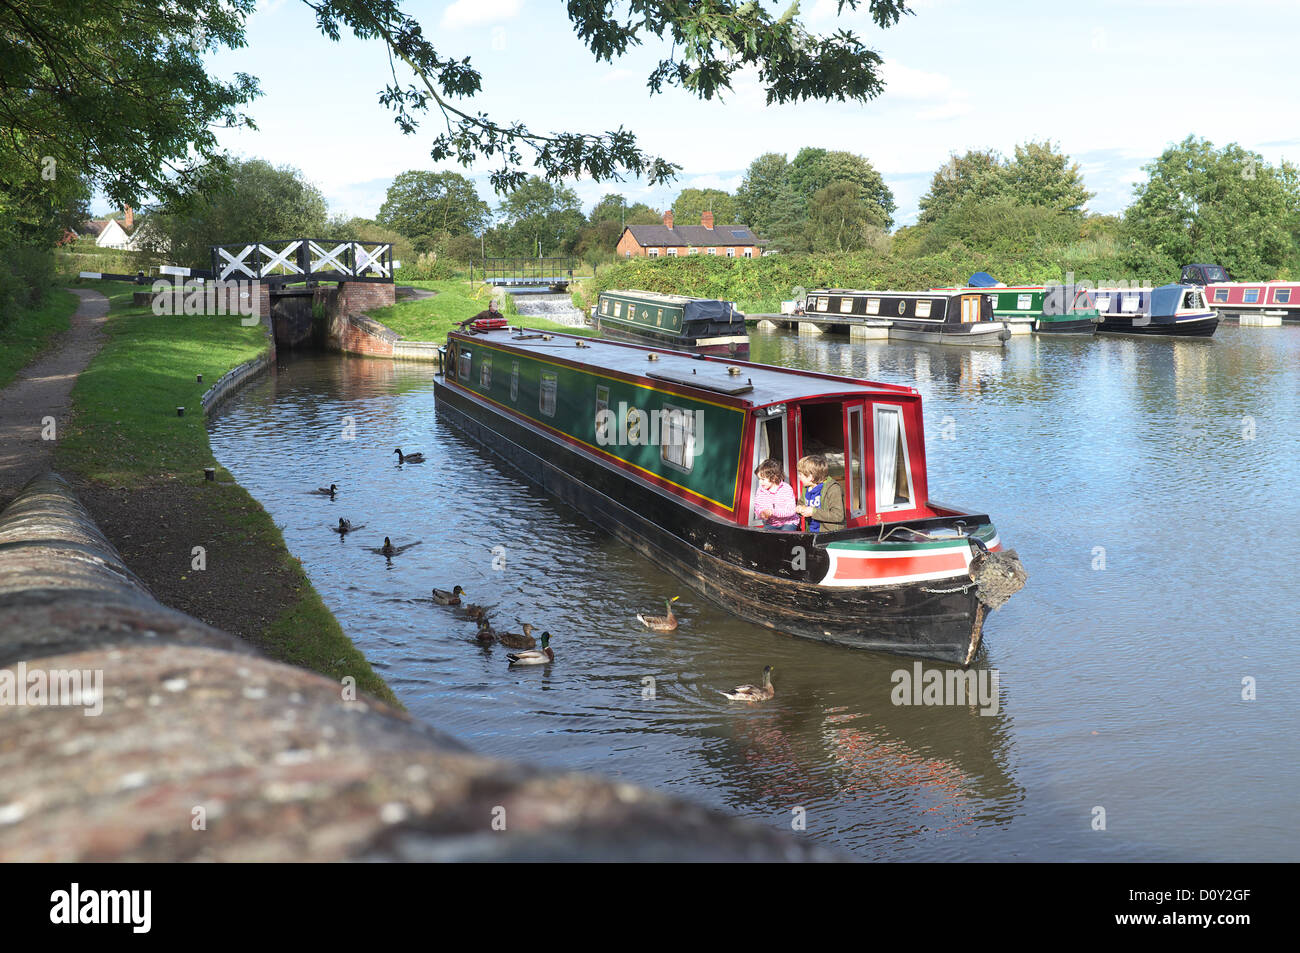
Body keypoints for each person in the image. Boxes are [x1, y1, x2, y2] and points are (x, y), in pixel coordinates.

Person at [795, 454, 846, 532]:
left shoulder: (833, 488)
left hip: (829, 534)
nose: (799, 477)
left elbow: (838, 515)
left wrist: (813, 512)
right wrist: (799, 508)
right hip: (811, 532)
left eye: (801, 474)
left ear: (810, 477)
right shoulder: (807, 487)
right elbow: (801, 503)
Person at [752, 458, 800, 530]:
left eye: (763, 479)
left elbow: (791, 510)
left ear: (774, 478)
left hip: (788, 522)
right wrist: (761, 513)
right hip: (771, 523)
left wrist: (772, 512)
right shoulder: (761, 491)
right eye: (759, 479)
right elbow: (758, 507)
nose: (760, 482)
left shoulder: (786, 489)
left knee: (784, 537)